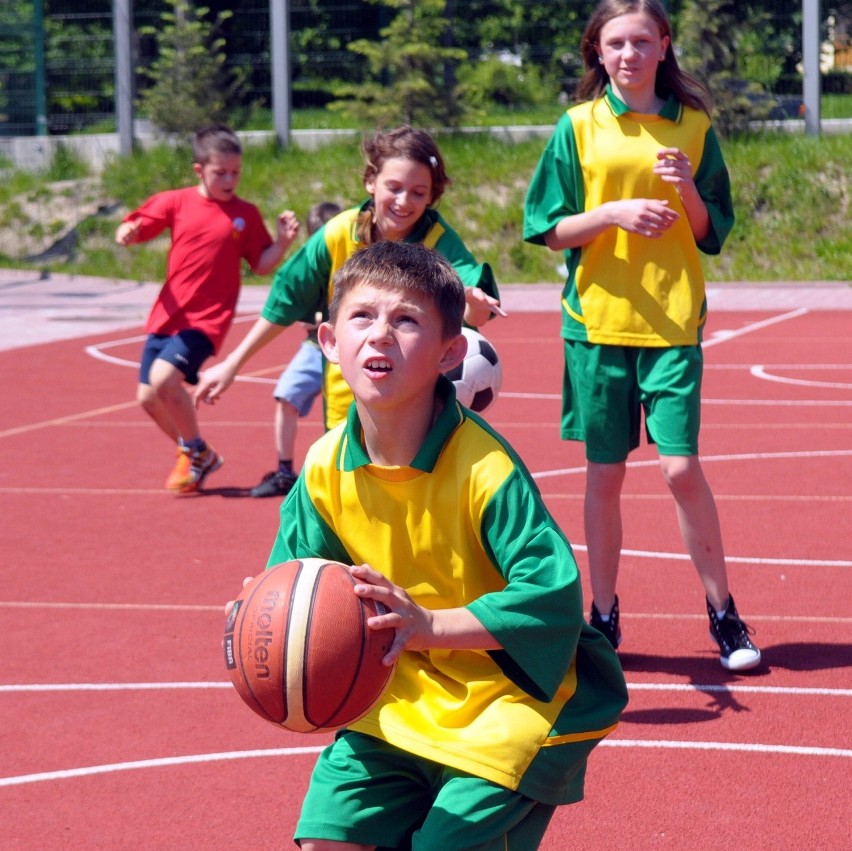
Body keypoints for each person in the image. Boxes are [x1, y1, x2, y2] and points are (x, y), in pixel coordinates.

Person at [262, 240, 627, 849]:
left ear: (450, 353)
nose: (380, 334)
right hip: (394, 699)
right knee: (327, 839)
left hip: (507, 704)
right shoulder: (325, 465)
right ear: (327, 342)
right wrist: (262, 612)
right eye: (362, 316)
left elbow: (553, 599)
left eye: (405, 320)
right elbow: (298, 578)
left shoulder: (485, 469)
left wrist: (428, 624)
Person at [522, 0, 761, 672]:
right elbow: (546, 228)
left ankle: (724, 612)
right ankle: (603, 615)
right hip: (597, 325)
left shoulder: (692, 125)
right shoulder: (576, 128)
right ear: (597, 52)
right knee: (605, 474)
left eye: (640, 42)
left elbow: (712, 230)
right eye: (614, 44)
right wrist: (612, 213)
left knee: (681, 468)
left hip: (672, 320)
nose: (627, 54)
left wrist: (687, 190)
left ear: (664, 45)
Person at [194, 125, 506, 436]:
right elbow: (284, 302)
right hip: (348, 408)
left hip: (418, 411)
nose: (403, 201)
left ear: (431, 196)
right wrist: (232, 364)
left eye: (418, 193)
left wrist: (475, 306)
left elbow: (473, 308)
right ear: (371, 181)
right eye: (394, 187)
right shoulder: (336, 234)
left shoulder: (441, 243)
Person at [115, 123, 300, 493]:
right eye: (221, 173)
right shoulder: (176, 201)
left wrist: (281, 243)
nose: (230, 179)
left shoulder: (244, 214)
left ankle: (196, 450)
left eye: (236, 172)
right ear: (200, 170)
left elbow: (261, 265)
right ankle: (199, 454)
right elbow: (140, 224)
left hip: (207, 320)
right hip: (168, 316)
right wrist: (128, 231)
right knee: (148, 397)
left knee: (165, 380)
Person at [250, 201, 342, 498]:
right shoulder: (311, 266)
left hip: (350, 352)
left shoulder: (353, 261)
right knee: (287, 394)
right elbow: (295, 306)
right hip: (317, 347)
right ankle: (285, 472)